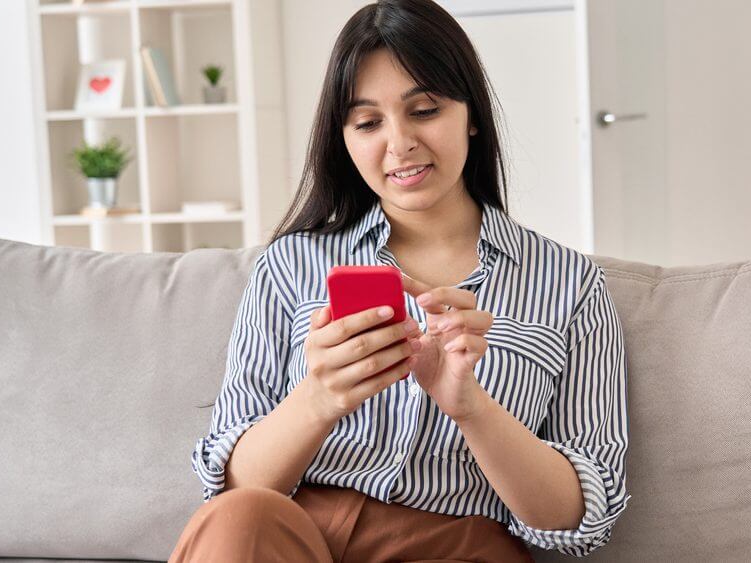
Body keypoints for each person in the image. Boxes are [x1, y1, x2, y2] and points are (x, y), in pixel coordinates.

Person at [168, 0, 630, 561]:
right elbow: (232, 485)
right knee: (240, 519)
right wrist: (318, 398)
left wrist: (472, 408)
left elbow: (582, 516)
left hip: (460, 543)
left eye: (425, 110)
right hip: (295, 535)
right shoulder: (289, 266)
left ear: (471, 114)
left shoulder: (570, 282)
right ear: (344, 138)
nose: (399, 143)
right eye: (368, 122)